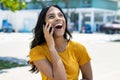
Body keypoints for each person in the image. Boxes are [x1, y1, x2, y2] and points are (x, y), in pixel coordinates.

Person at [28, 4, 93, 80]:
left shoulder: (79, 48)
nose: (58, 18)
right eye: (51, 16)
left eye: (60, 15)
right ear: (44, 25)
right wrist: (51, 48)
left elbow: (88, 78)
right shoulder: (37, 51)